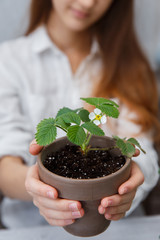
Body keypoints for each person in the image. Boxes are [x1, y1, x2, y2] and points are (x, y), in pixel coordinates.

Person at [0, 0, 159, 229]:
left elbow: (143, 151)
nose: (87, 3)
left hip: (122, 230)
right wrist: (39, 187)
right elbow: (5, 160)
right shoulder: (8, 61)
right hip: (29, 229)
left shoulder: (131, 66)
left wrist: (131, 182)